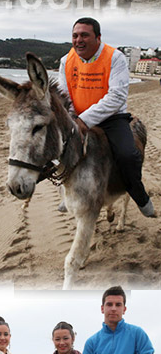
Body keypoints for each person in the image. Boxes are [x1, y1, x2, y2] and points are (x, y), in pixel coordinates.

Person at [58, 18, 155, 217]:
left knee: (128, 155)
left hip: (112, 117)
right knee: (58, 151)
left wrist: (85, 120)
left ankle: (138, 193)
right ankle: (65, 194)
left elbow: (117, 97)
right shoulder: (65, 61)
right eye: (75, 36)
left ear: (98, 38)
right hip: (76, 116)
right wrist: (72, 118)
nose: (79, 40)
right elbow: (64, 96)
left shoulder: (115, 57)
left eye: (85, 35)